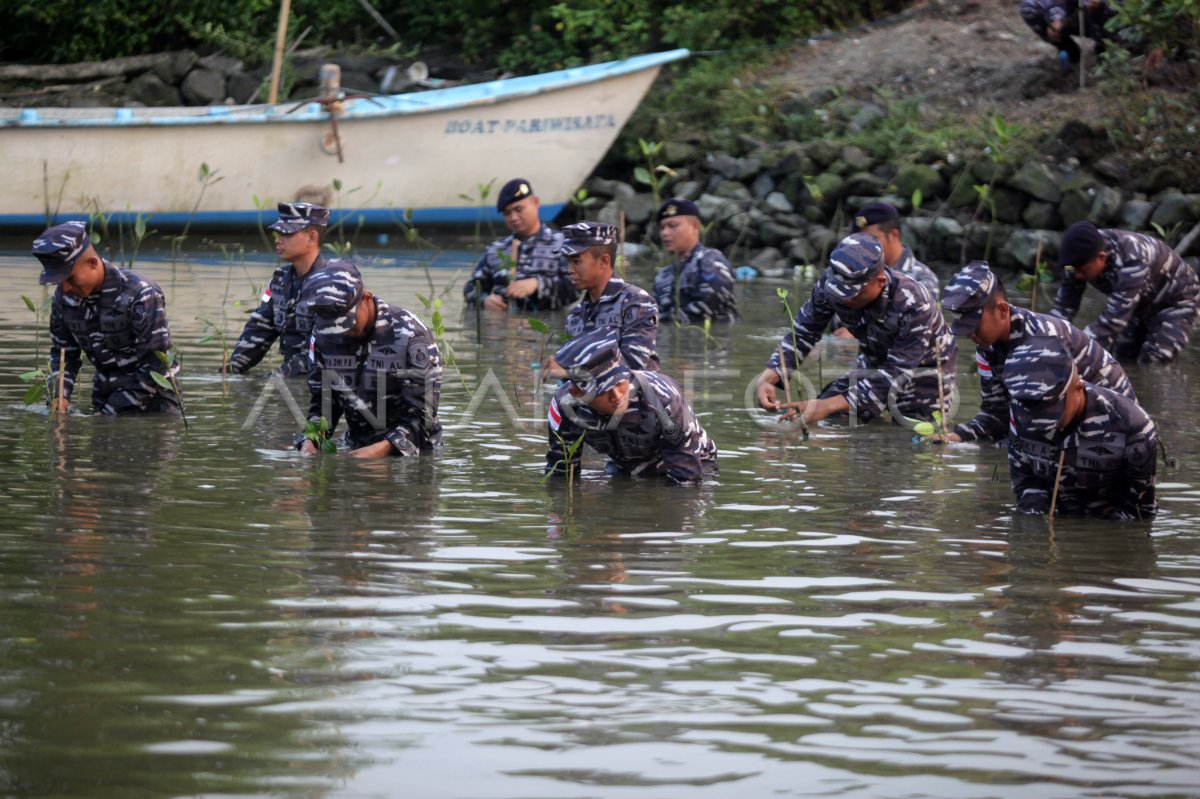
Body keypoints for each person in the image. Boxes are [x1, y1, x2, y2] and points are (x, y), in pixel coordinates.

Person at [754, 233, 957, 426]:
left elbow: (896, 375)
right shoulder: (831, 283)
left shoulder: (913, 303)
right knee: (825, 419)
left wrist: (825, 406)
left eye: (853, 293)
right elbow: (803, 332)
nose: (845, 300)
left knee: (909, 441)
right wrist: (769, 376)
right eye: (839, 293)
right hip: (873, 360)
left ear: (880, 282)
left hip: (924, 372)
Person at [940, 261, 1133, 443]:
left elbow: (1044, 422)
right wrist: (957, 437)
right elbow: (996, 413)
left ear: (1002, 310)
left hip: (1110, 422)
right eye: (965, 327)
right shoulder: (986, 345)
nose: (970, 334)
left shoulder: (1043, 340)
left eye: (975, 325)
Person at [298, 262, 442, 458]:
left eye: (348, 322)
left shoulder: (411, 334)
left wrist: (382, 450)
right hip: (355, 446)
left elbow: (422, 415)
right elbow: (324, 404)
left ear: (366, 298)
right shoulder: (324, 336)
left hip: (414, 452)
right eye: (333, 326)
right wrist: (310, 440)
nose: (343, 332)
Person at [35, 220, 180, 415]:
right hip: (104, 398)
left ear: (93, 263)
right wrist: (59, 395)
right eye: (59, 282)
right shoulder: (63, 299)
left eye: (70, 278)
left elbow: (157, 363)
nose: (66, 288)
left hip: (155, 405)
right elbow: (63, 354)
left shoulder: (141, 293)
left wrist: (111, 412)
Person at [1005, 336, 1157, 519]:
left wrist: (1084, 540)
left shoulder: (1132, 425)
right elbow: (1026, 484)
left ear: (1078, 388)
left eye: (1053, 409)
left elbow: (1139, 513)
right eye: (1034, 410)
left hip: (1107, 527)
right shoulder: (1020, 410)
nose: (1044, 421)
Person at [545, 329, 717, 486]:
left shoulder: (662, 397)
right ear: (578, 393)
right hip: (626, 465)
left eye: (620, 383)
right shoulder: (564, 407)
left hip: (694, 461)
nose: (617, 396)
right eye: (604, 391)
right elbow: (561, 472)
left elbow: (686, 482)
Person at [1051, 220, 1199, 364]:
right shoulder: (1075, 260)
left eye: (1082, 271)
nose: (1078, 276)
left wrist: (1076, 355)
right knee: (1122, 356)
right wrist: (1042, 341)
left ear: (1101, 257)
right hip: (1139, 303)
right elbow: (1064, 309)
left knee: (1155, 360)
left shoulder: (1133, 259)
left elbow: (1113, 321)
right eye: (1073, 270)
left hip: (1178, 302)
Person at [227, 202, 344, 377]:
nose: (278, 240)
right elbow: (259, 330)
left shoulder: (332, 284)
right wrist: (230, 371)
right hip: (290, 377)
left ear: (312, 237)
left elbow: (327, 351)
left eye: (287, 233)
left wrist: (276, 377)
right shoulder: (280, 280)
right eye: (279, 233)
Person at [543, 221, 660, 377]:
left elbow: (632, 365)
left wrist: (570, 372)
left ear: (603, 261)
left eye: (576, 261)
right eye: (568, 262)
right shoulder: (576, 316)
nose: (570, 270)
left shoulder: (637, 302)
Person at [462, 178, 576, 311]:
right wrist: (484, 300)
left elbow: (576, 287)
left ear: (536, 203)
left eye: (519, 209)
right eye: (507, 213)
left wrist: (538, 284)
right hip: (502, 327)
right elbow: (470, 289)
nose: (513, 218)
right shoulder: (495, 250)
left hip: (548, 327)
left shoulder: (563, 244)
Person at [651, 198, 738, 323]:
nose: (665, 233)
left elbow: (702, 312)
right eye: (662, 227)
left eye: (673, 225)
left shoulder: (712, 262)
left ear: (695, 226)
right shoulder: (662, 276)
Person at [851, 202, 939, 300]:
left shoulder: (920, 278)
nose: (864, 247)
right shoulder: (855, 272)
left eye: (872, 239)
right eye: (860, 241)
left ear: (894, 235)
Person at [1019, 0, 1116, 65]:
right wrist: (1056, 19)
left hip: (1104, 14)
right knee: (1030, 9)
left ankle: (1106, 48)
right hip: (1067, 13)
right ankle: (1070, 53)